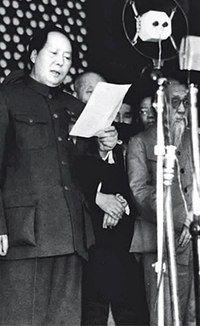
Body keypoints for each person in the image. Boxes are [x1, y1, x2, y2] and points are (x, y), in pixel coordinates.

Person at [0, 26, 118, 325]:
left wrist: (103, 149)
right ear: (33, 55)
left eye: (67, 57)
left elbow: (83, 171)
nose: (60, 62)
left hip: (71, 236)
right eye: (53, 53)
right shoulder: (5, 98)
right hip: (24, 236)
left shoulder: (74, 107)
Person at [128, 79, 200, 325]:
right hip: (161, 244)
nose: (181, 109)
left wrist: (199, 216)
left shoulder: (197, 140)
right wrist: (182, 219)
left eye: (186, 103)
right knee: (167, 316)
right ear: (159, 106)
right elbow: (140, 192)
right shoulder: (139, 142)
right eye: (175, 102)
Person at [74, 71, 148, 325]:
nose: (96, 99)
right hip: (83, 237)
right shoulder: (66, 132)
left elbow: (129, 179)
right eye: (89, 92)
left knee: (129, 307)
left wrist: (119, 203)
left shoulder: (119, 133)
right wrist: (98, 198)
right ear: (75, 95)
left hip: (118, 236)